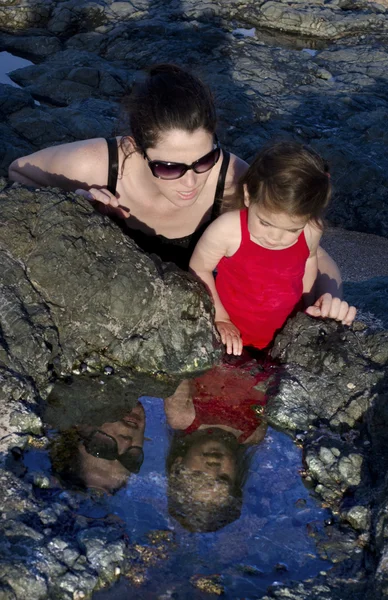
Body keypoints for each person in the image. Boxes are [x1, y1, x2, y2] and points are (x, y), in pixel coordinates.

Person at [9, 63, 344, 315]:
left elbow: (306, 248)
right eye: (169, 167)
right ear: (136, 146)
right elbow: (18, 174)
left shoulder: (232, 181)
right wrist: (71, 205)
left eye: (203, 160)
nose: (191, 182)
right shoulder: (95, 166)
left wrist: (330, 299)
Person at [189, 142, 357, 355]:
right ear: (249, 196)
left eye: (292, 229)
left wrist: (308, 303)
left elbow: (309, 260)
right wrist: (220, 318)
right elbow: (199, 268)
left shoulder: (311, 229)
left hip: (285, 333)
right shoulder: (228, 230)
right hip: (234, 333)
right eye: (265, 223)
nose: (276, 237)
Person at [165, 362, 268, 532]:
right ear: (237, 475)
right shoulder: (254, 433)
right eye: (223, 478)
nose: (213, 464)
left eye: (198, 475)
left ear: (177, 465)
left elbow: (182, 358)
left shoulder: (181, 415)